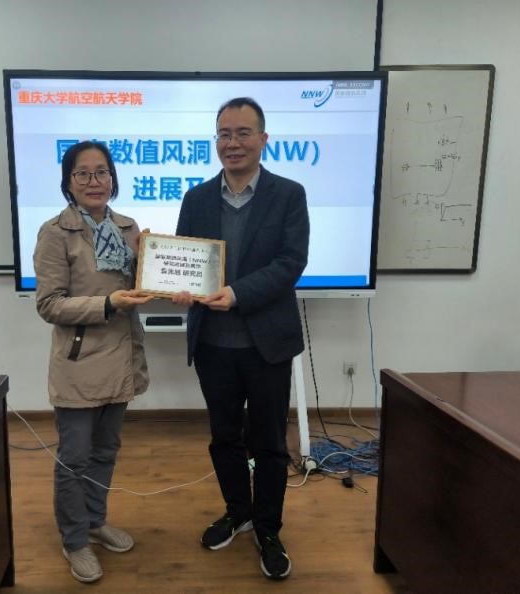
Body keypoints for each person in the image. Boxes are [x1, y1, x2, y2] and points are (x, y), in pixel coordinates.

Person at [172, 97, 309, 580]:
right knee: (224, 436)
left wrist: (236, 294)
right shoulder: (196, 198)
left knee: (270, 442)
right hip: (213, 345)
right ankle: (238, 512)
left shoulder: (288, 194)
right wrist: (178, 287)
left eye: (243, 133)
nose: (233, 143)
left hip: (266, 344)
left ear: (263, 139)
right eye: (225, 134)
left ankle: (268, 528)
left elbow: (290, 263)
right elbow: (185, 259)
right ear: (217, 140)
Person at [33, 140, 153, 583]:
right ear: (68, 182)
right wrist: (107, 303)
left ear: (113, 178)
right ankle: (74, 539)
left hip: (121, 358)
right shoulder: (54, 232)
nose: (94, 181)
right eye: (82, 173)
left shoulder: (128, 228)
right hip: (79, 362)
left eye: (102, 171)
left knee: (105, 451)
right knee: (74, 458)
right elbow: (49, 304)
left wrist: (160, 268)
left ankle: (95, 521)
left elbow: (142, 283)